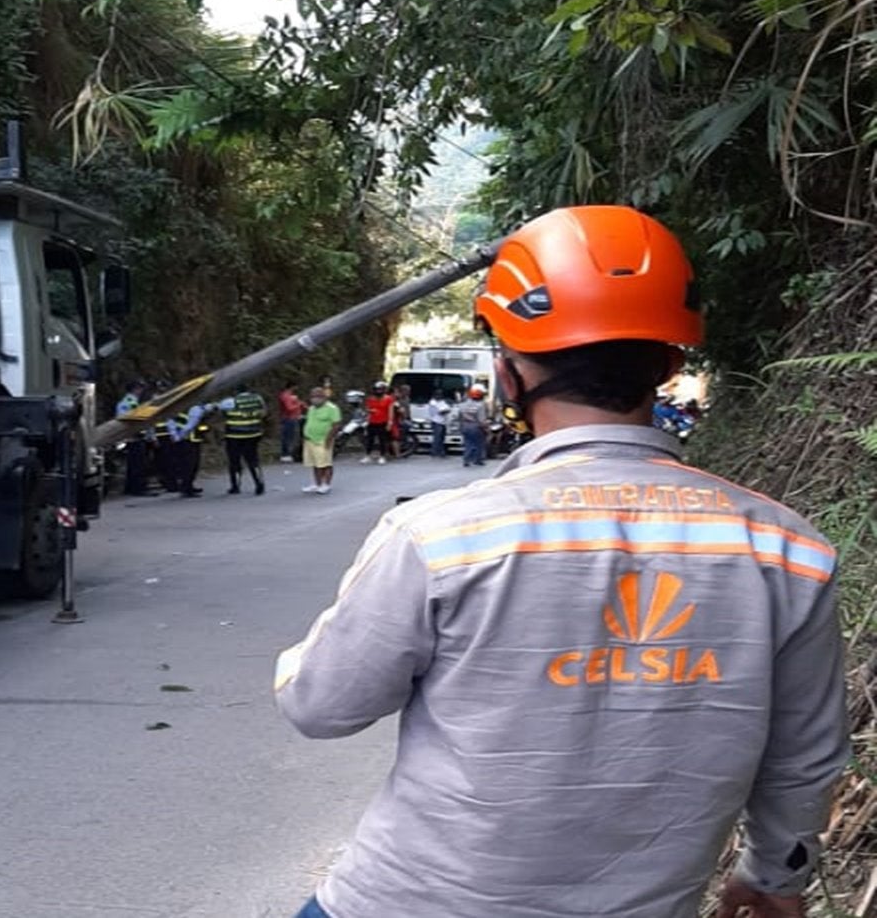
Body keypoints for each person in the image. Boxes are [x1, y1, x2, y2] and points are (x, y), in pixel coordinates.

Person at [277, 205, 847, 918]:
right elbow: (805, 753)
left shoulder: (440, 536)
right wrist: (774, 877)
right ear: (670, 365)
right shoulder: (787, 550)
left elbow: (321, 707)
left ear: (509, 376)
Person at [218, 384, 266, 495]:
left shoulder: (230, 401)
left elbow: (223, 413)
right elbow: (263, 413)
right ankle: (259, 483)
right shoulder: (257, 398)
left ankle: (235, 486)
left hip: (234, 435)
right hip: (253, 434)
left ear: (236, 391)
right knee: (253, 460)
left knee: (234, 461)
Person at [115, 380, 157, 496]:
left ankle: (131, 487)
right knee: (138, 464)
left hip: (135, 437)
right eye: (140, 388)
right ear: (135, 389)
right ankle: (138, 488)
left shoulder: (133, 402)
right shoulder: (129, 403)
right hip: (134, 437)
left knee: (134, 464)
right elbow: (126, 420)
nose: (142, 391)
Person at [301, 386, 343, 494]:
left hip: (323, 440)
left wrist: (329, 439)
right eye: (313, 397)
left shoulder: (332, 408)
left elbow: (336, 425)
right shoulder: (311, 409)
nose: (314, 399)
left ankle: (326, 484)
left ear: (324, 397)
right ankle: (317, 483)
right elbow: (309, 422)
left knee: (325, 463)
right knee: (315, 463)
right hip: (310, 440)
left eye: (317, 396)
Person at [166, 401, 208, 497]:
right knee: (189, 465)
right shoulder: (195, 409)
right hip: (188, 440)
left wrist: (175, 435)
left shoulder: (181, 407)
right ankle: (186, 488)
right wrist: (179, 436)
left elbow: (171, 421)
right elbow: (190, 425)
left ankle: (188, 485)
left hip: (187, 439)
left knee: (189, 465)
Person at [359, 381, 395, 465]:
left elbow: (390, 410)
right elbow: (367, 409)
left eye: (380, 389)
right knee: (369, 440)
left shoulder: (388, 399)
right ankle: (367, 456)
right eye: (377, 389)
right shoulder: (371, 399)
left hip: (383, 422)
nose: (378, 391)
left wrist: (390, 422)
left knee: (382, 440)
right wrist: (369, 411)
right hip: (372, 422)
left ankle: (382, 456)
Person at [454, 384, 488, 467]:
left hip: (465, 426)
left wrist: (460, 426)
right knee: (479, 444)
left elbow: (458, 416)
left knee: (468, 443)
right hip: (475, 426)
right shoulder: (480, 405)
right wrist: (486, 428)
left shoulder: (463, 404)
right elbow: (481, 420)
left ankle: (466, 460)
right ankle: (478, 460)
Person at [277, 381, 305, 463]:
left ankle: (289, 454)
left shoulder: (291, 396)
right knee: (287, 437)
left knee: (291, 436)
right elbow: (289, 408)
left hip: (293, 418)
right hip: (288, 418)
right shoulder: (286, 396)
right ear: (292, 386)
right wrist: (298, 404)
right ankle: (285, 454)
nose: (297, 389)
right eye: (296, 387)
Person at [427, 390, 451, 457]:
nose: (440, 396)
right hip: (436, 422)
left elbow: (448, 409)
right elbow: (440, 412)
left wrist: (446, 410)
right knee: (437, 438)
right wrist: (445, 410)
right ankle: (434, 452)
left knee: (442, 438)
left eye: (441, 394)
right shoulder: (432, 403)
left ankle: (441, 451)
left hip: (443, 422)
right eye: (438, 394)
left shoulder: (442, 402)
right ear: (435, 395)